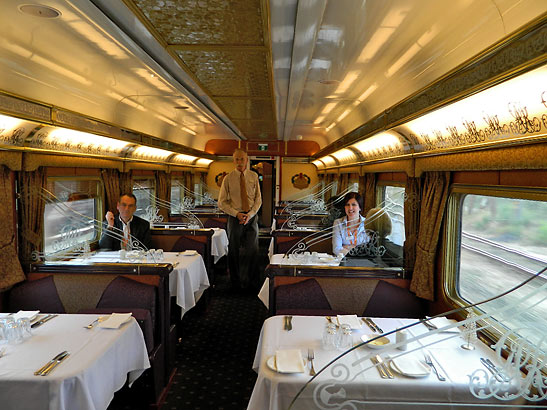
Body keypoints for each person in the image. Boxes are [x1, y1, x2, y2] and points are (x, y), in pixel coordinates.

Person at [218, 149, 262, 291]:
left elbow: (258, 200)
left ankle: (253, 282)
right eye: (236, 159)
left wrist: (250, 214)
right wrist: (236, 213)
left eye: (242, 159)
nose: (239, 162)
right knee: (233, 251)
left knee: (253, 250)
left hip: (251, 217)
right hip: (234, 217)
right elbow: (222, 203)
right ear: (233, 161)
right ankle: (235, 282)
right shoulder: (228, 179)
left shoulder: (254, 176)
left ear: (247, 160)